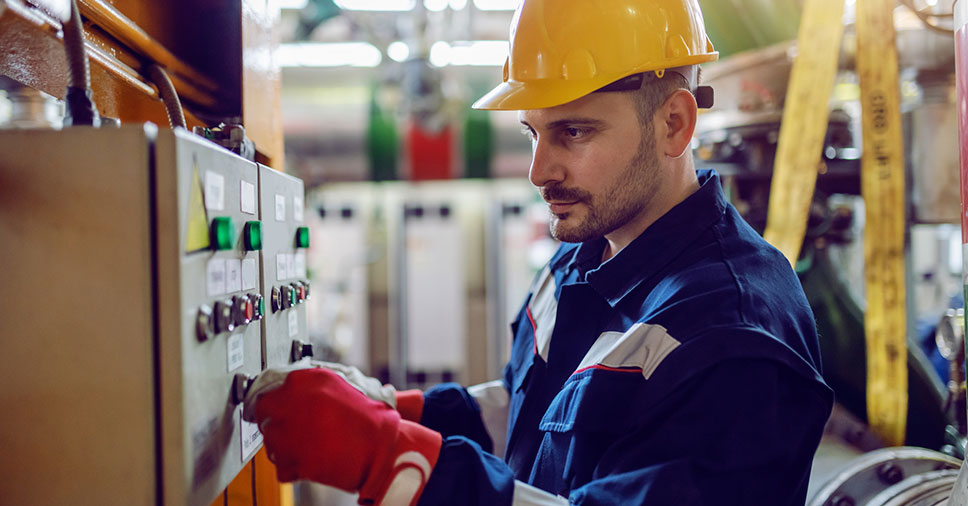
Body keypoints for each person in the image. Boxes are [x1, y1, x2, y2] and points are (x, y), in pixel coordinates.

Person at [241, 0, 833, 504]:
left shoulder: (734, 333)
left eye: (573, 132)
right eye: (533, 133)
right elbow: (534, 418)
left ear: (674, 124)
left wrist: (399, 463)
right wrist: (402, 409)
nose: (539, 171)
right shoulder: (586, 251)